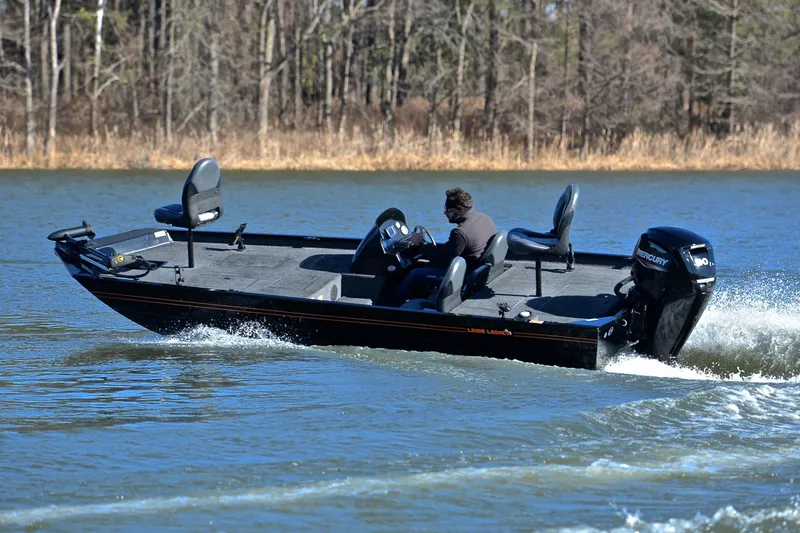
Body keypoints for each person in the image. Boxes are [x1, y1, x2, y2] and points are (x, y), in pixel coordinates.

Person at [384, 187, 497, 306]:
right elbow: (448, 252)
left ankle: (387, 305)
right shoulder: (484, 218)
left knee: (415, 274)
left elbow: (441, 259)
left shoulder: (460, 233)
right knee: (422, 266)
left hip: (463, 276)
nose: (445, 213)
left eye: (447, 210)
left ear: (456, 211)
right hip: (477, 270)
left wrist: (420, 243)